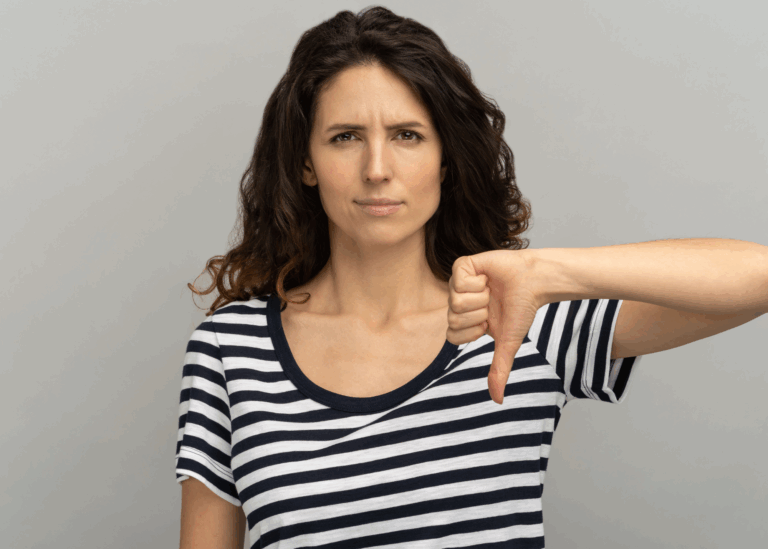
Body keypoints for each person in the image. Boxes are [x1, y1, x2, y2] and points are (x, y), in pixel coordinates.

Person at [175, 6, 768, 548]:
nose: (377, 169)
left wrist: (546, 269)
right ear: (306, 161)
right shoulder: (232, 351)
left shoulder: (520, 314)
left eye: (407, 136)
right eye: (345, 137)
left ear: (446, 158)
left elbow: (757, 275)